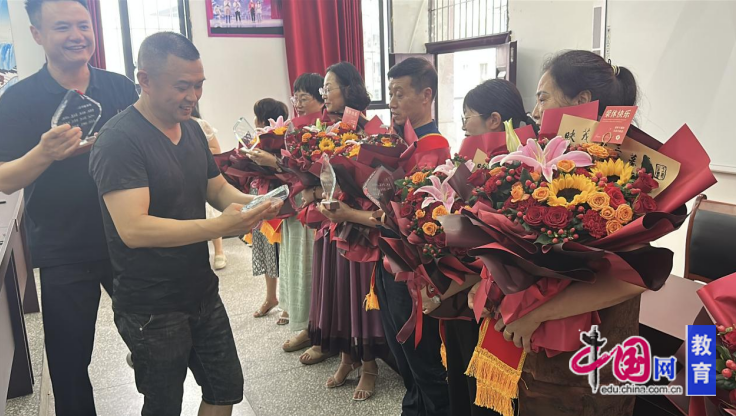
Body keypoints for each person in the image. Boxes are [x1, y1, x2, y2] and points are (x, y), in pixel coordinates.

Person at [89, 32, 280, 416]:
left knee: (225, 389)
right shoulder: (119, 140)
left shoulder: (192, 129)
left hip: (201, 291)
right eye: (181, 86)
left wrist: (259, 204)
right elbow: (134, 229)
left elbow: (217, 189)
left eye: (198, 85)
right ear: (144, 80)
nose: (192, 96)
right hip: (151, 305)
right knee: (164, 405)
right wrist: (219, 227)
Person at [0, 1, 138, 415]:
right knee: (68, 362)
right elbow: (6, 178)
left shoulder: (119, 88)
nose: (77, 35)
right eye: (62, 27)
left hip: (128, 237)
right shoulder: (18, 100)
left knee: (155, 342)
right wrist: (45, 153)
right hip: (63, 248)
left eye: (84, 25)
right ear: (37, 34)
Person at [500, 49, 640, 416]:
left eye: (543, 98)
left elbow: (634, 278)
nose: (534, 111)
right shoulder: (554, 170)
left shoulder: (624, 176)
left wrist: (536, 315)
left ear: (581, 102)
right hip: (542, 360)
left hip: (591, 365)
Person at [443, 79, 533, 416]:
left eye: (467, 116)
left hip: (508, 303)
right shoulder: (482, 160)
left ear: (494, 120)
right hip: (477, 289)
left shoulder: (516, 165)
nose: (463, 125)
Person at [298, 62, 385, 401]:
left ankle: (369, 366)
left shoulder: (366, 129)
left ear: (348, 89)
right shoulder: (326, 128)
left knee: (355, 294)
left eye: (329, 86)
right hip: (330, 222)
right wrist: (313, 189)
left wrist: (328, 194)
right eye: (323, 88)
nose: (324, 94)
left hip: (356, 226)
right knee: (336, 291)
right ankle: (347, 359)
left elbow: (374, 181)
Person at [378, 57, 452, 416]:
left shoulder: (433, 146)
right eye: (390, 94)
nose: (392, 102)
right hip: (388, 259)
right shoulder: (395, 144)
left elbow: (413, 219)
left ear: (426, 95)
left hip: (414, 269)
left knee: (423, 360)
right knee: (402, 354)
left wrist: (353, 214)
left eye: (400, 93)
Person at [250, 98, 288, 320]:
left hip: (279, 199)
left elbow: (289, 168)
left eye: (258, 116)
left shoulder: (284, 139)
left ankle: (287, 303)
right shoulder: (256, 140)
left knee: (281, 250)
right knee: (266, 247)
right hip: (261, 195)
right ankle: (271, 296)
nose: (255, 120)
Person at [192, 106, 227, 270]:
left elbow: (216, 149)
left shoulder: (200, 124)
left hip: (201, 174)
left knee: (210, 214)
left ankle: (219, 251)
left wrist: (195, 155)